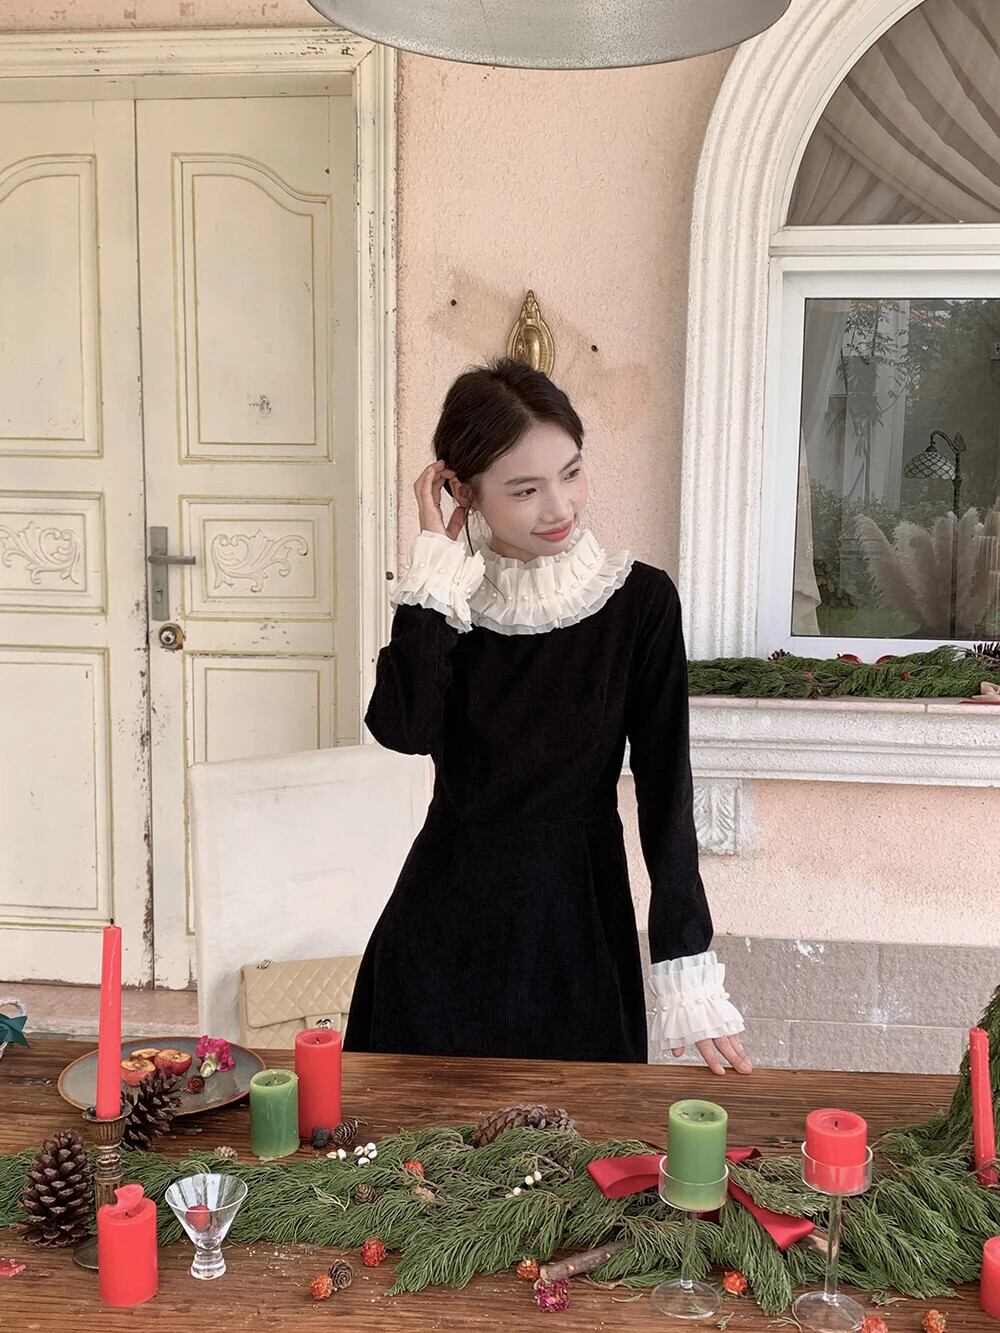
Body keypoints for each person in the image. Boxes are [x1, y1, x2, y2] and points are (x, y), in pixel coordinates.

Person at [343, 358, 751, 1074]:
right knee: (421, 1139)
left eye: (572, 472)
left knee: (578, 1137)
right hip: (443, 929)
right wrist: (433, 566)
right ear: (462, 491)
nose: (559, 507)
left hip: (579, 929)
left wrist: (684, 959)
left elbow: (667, 795)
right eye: (526, 489)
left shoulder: (639, 603)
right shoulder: (449, 602)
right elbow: (403, 730)